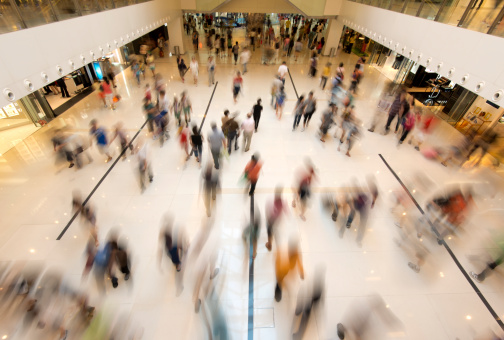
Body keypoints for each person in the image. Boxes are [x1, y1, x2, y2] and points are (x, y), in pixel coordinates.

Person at [275, 237, 304, 302]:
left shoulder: (296, 251)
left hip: (287, 270)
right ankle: (278, 290)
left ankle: (279, 285)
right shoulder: (282, 251)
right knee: (279, 281)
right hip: (281, 271)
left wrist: (301, 271)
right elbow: (277, 263)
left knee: (283, 277)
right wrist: (278, 275)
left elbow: (299, 261)